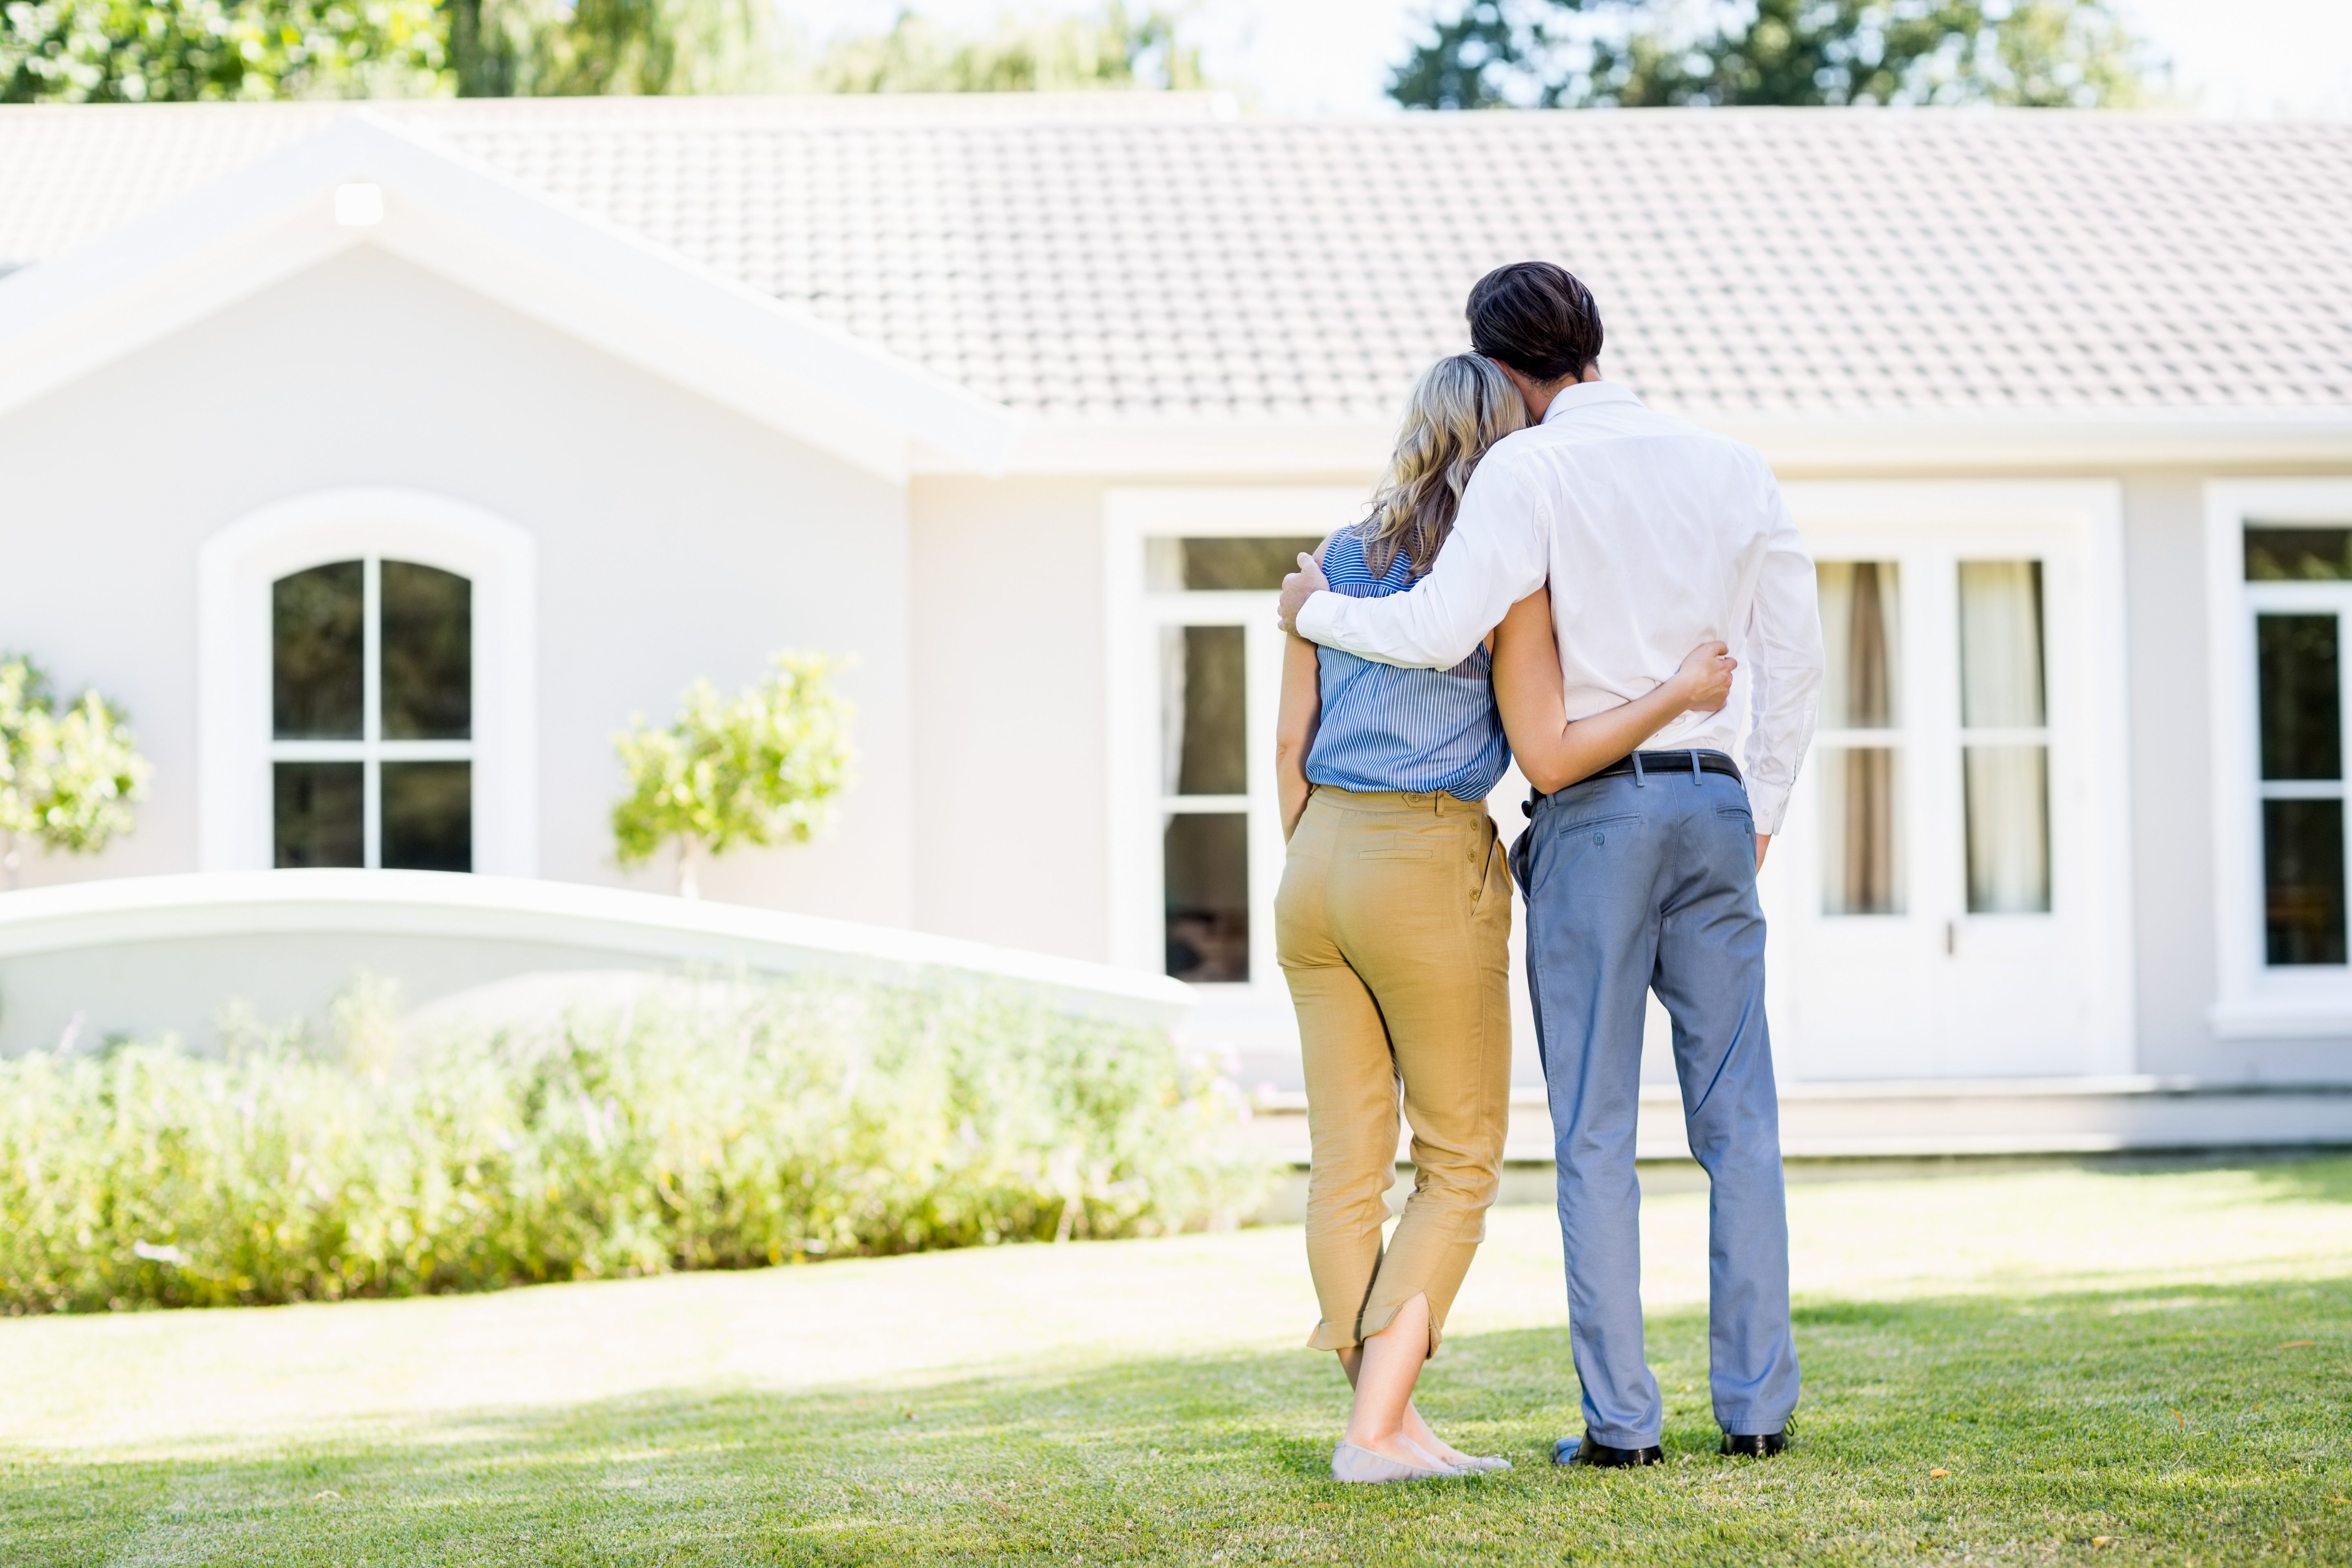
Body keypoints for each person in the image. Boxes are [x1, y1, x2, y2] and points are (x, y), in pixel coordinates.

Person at [1277, 263, 1825, 1468]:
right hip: (1718, 805)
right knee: (1741, 1120)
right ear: (1589, 345)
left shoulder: (1529, 467)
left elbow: (1430, 631)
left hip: (1589, 814)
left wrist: (1311, 613)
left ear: (1505, 370)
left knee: (1591, 1130)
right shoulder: (1732, 463)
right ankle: (1759, 1413)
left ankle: (1625, 1428)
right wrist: (1762, 810)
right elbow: (1795, 653)